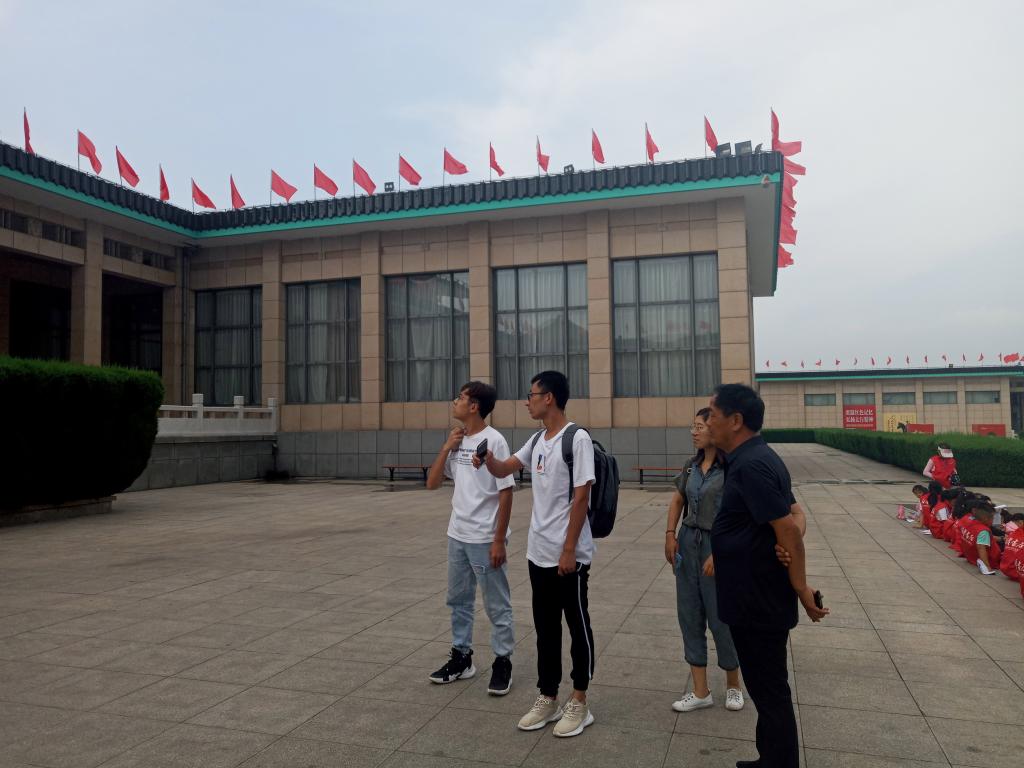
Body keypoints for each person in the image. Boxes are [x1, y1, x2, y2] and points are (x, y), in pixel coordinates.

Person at [706, 383, 828, 768]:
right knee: (765, 688)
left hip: (758, 600)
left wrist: (801, 587)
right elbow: (791, 518)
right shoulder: (752, 457)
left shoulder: (752, 465)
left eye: (713, 415)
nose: (707, 422)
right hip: (753, 596)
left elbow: (788, 526)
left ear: (735, 421)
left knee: (770, 691)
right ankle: (769, 759)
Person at [475, 370, 597, 738]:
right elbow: (507, 467)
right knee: (545, 628)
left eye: (531, 395)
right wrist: (488, 460)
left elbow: (582, 497)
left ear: (549, 398)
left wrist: (569, 549)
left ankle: (580, 700)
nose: (527, 401)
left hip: (568, 556)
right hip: (538, 553)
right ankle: (548, 696)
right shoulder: (537, 439)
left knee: (577, 626)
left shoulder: (576, 439)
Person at [425, 381, 516, 695]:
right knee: (459, 601)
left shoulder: (495, 441)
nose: (455, 401)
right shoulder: (458, 439)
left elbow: (506, 492)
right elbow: (432, 483)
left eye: (461, 398)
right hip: (457, 535)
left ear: (474, 406)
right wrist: (446, 447)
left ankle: (503, 661)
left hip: (485, 537)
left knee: (496, 604)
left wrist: (499, 540)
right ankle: (462, 657)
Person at [664, 408, 744, 714]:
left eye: (699, 427)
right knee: (689, 615)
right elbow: (678, 499)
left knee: (722, 618)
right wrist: (670, 534)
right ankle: (700, 691)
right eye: (693, 426)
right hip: (688, 543)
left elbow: (739, 515)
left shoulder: (731, 468)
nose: (693, 432)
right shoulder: (691, 466)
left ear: (715, 430)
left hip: (718, 545)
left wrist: (722, 551)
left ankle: (734, 685)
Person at [959, 501, 1002, 575]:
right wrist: (987, 567)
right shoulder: (983, 531)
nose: (993, 521)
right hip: (990, 559)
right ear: (986, 519)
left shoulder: (970, 523)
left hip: (970, 556)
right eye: (992, 518)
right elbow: (981, 548)